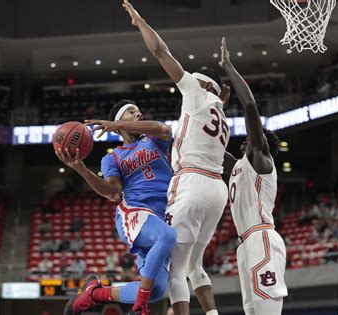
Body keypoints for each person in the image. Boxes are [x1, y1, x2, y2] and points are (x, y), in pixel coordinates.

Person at [122, 2, 231, 315]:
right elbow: (218, 101)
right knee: (195, 262)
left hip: (193, 182)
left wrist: (141, 22)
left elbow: (160, 51)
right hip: (217, 188)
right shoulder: (220, 113)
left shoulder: (195, 93)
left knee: (177, 266)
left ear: (201, 85)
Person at [58, 100, 176, 315]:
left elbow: (163, 129)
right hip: (135, 211)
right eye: (131, 112)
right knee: (167, 237)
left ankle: (94, 294)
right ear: (118, 121)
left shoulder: (154, 139)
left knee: (157, 289)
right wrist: (83, 171)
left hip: (164, 214)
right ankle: (139, 306)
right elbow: (112, 191)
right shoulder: (112, 158)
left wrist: (119, 126)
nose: (138, 113)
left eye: (139, 110)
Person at [220, 37, 288, 315]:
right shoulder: (238, 166)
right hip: (246, 244)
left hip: (261, 238)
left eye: (247, 141)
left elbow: (250, 107)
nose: (242, 143)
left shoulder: (261, 161)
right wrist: (215, 108)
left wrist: (228, 67)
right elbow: (210, 147)